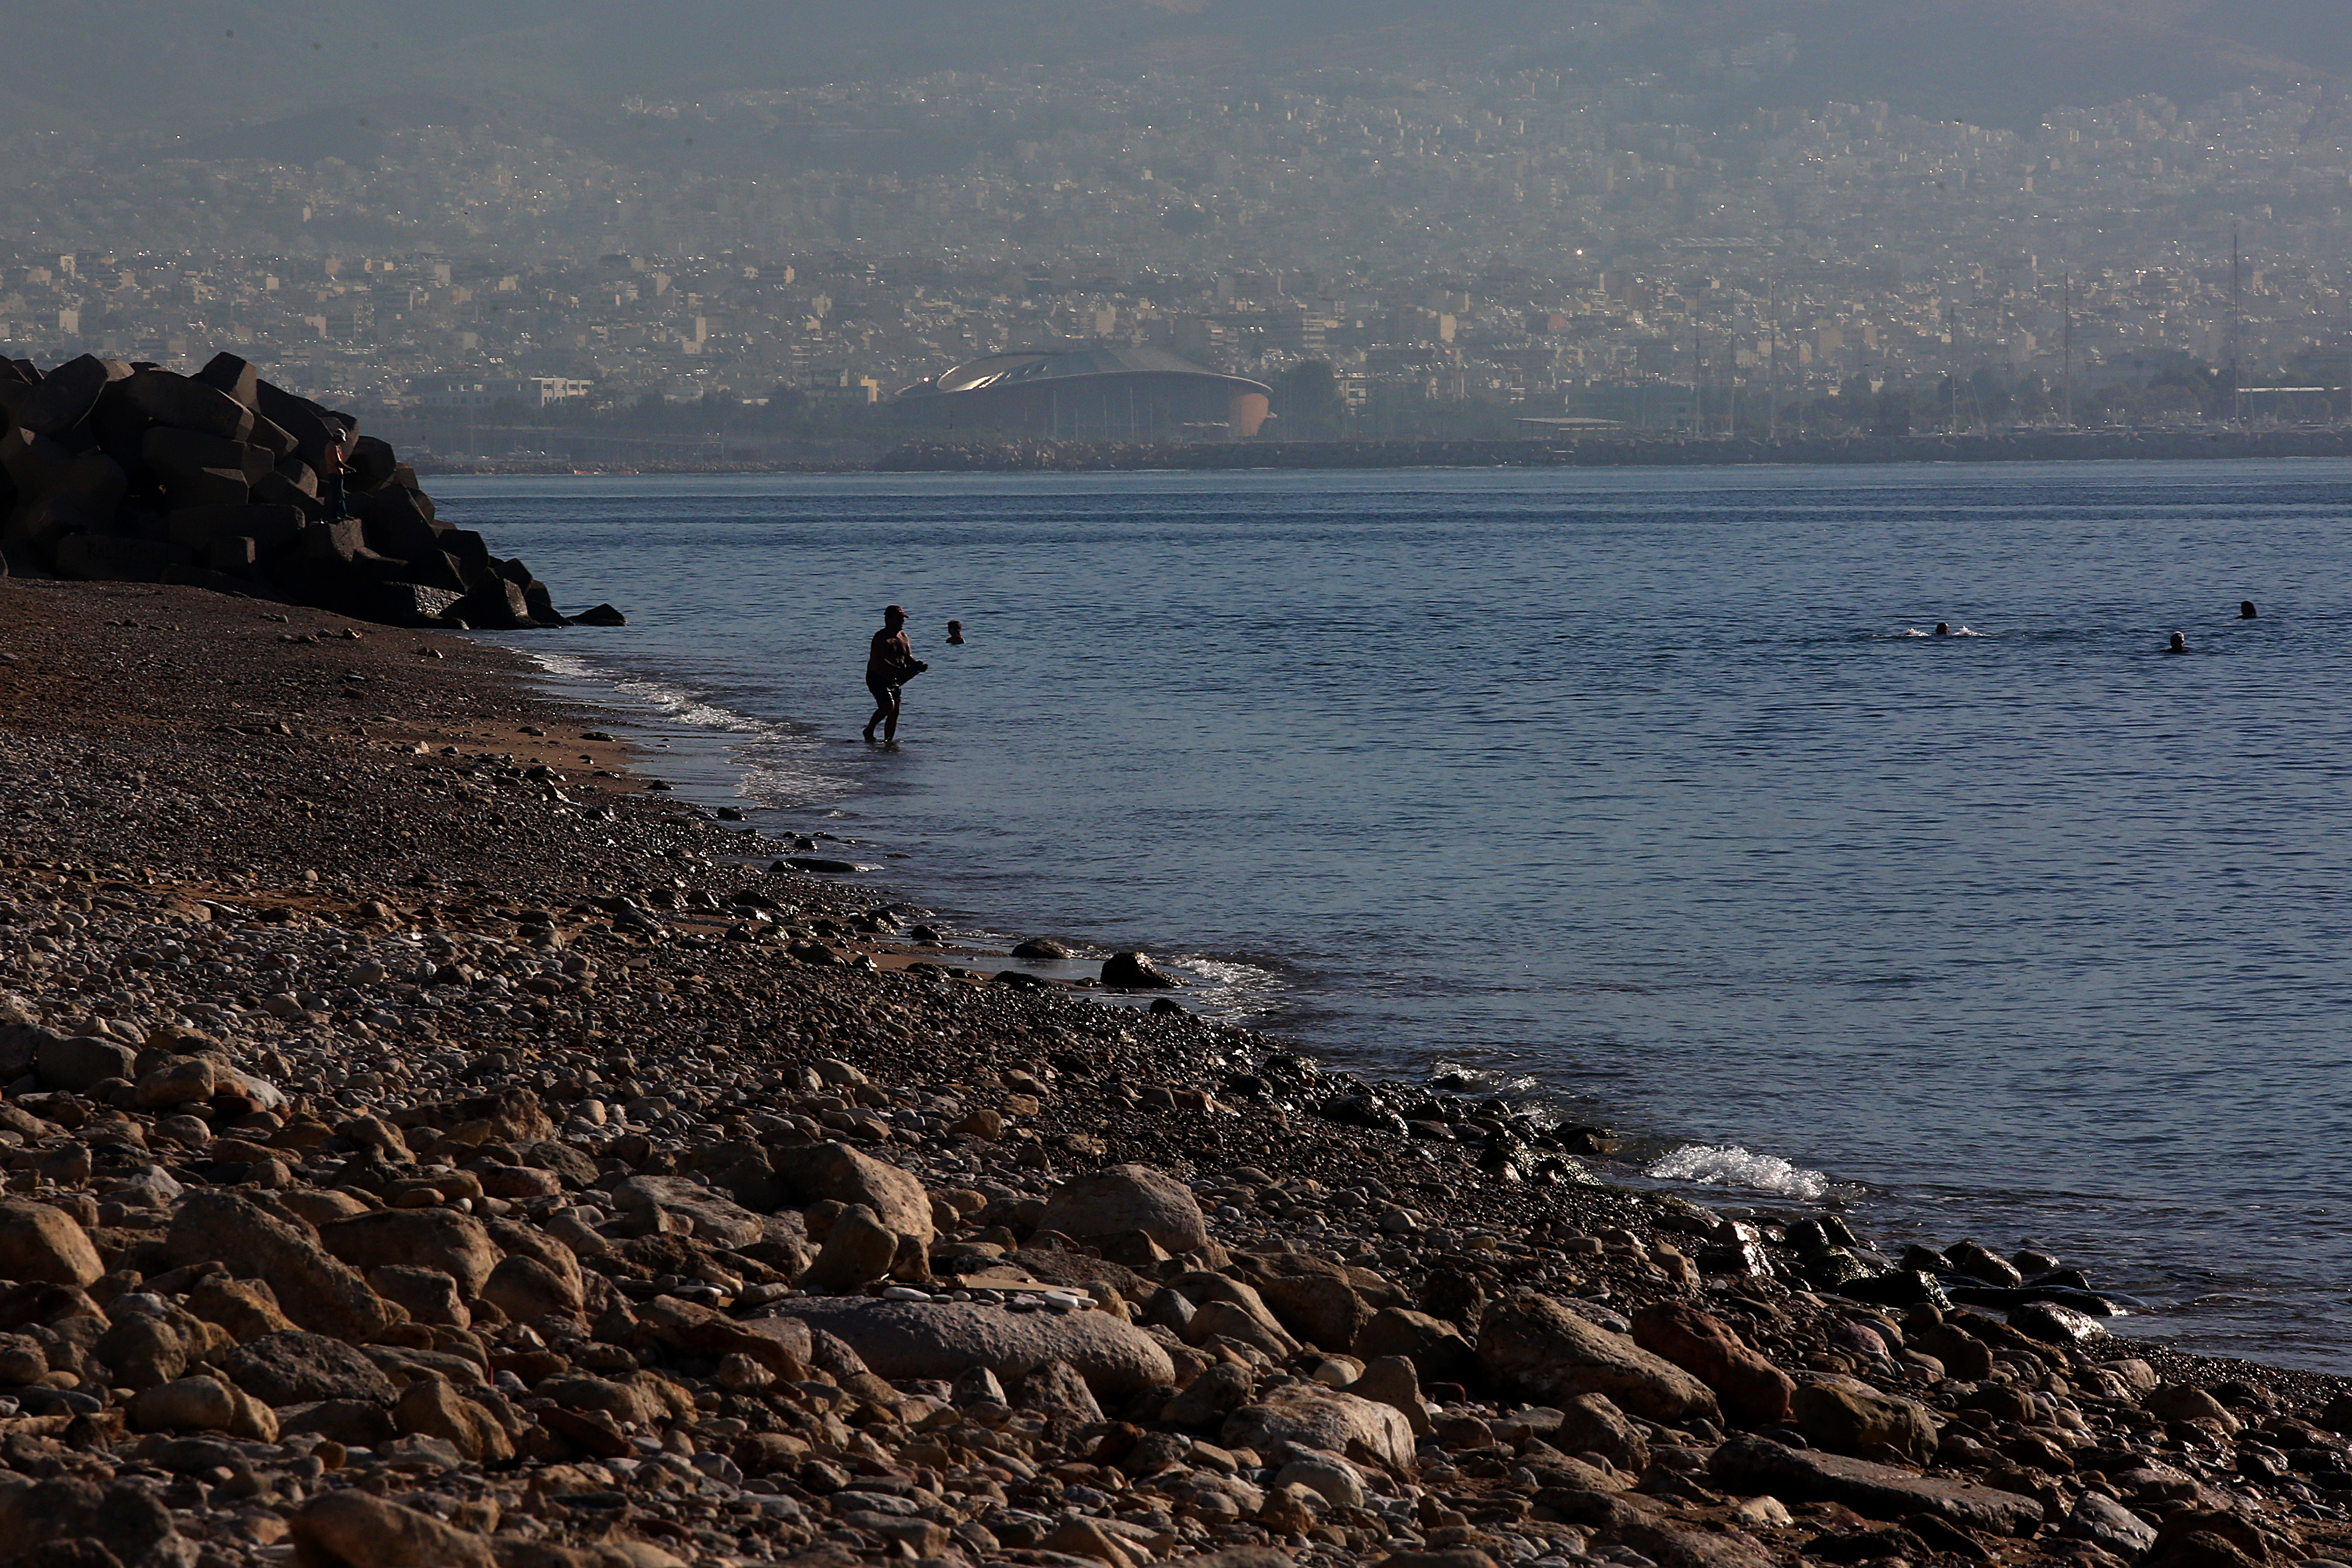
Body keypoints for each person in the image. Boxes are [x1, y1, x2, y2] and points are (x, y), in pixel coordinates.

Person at [862, 604, 925, 742]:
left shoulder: (903, 637)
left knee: (895, 711)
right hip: (877, 677)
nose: (902, 622)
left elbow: (908, 657)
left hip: (895, 678)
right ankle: (869, 731)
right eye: (899, 619)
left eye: (903, 619)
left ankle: (888, 742)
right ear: (889, 619)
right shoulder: (881, 638)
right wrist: (899, 671)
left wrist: (916, 665)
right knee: (887, 706)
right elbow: (879, 660)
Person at [320, 430, 351, 521]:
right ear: (337, 437)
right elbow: (338, 462)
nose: (341, 441)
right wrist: (349, 468)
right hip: (334, 474)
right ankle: (334, 517)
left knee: (341, 496)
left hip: (338, 474)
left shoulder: (336, 447)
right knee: (336, 496)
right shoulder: (332, 447)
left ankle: (343, 514)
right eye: (341, 439)